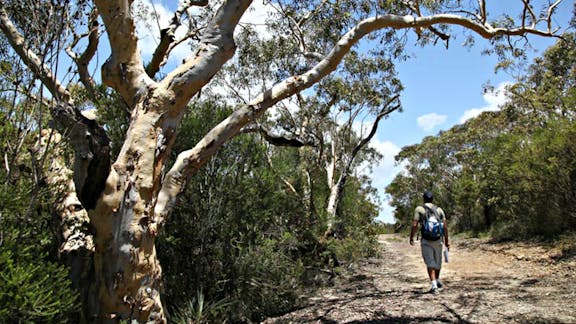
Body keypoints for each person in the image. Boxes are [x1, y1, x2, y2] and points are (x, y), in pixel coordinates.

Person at [409, 190, 450, 294]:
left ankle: (434, 285)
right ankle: (437, 280)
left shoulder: (419, 209)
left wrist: (411, 237)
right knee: (438, 261)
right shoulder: (439, 210)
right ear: (432, 199)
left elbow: (415, 224)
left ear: (424, 199)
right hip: (438, 239)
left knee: (430, 262)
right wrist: (446, 241)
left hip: (426, 240)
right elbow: (445, 227)